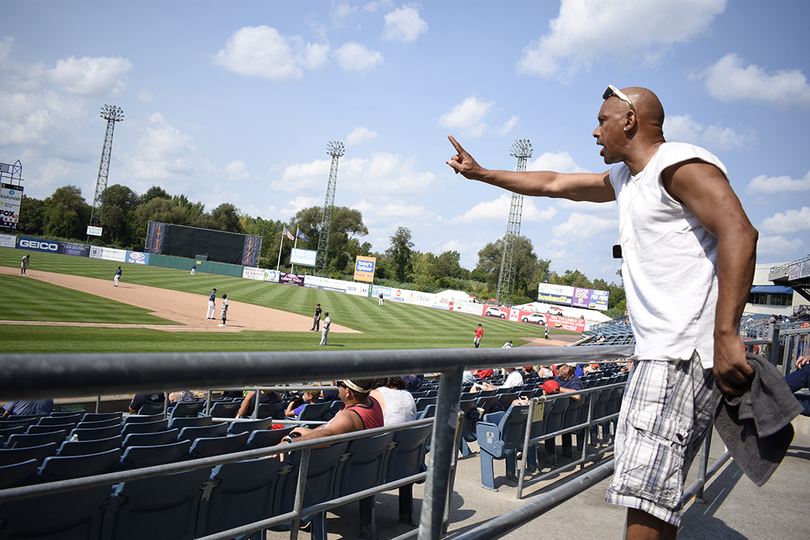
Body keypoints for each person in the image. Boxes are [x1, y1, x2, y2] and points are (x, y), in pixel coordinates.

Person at [446, 85, 759, 538]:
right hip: (661, 354)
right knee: (653, 498)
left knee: (647, 501)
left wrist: (727, 334)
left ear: (629, 121)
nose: (595, 132)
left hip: (677, 356)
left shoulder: (679, 163)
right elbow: (554, 183)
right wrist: (482, 174)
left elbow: (739, 232)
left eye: (602, 120)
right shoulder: (626, 178)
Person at [278, 378, 383, 449]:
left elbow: (327, 436)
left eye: (339, 384)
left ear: (348, 392)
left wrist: (291, 442)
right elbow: (330, 428)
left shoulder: (349, 416)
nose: (337, 388)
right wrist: (310, 432)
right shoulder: (373, 402)